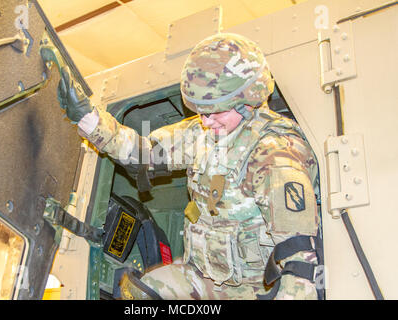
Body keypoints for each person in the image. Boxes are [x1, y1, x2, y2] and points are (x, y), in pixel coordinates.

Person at [57, 33, 323, 300]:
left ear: (249, 101)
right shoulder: (201, 134)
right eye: (202, 111)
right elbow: (146, 153)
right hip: (201, 277)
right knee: (137, 295)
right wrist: (90, 121)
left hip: (253, 291)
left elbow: (298, 259)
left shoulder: (273, 153)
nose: (206, 122)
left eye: (216, 111)